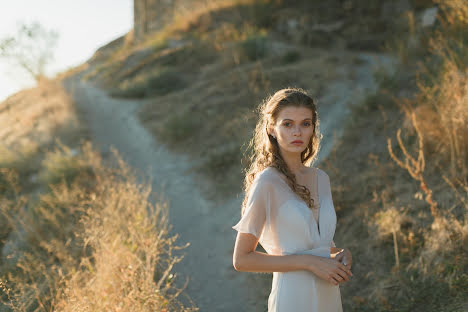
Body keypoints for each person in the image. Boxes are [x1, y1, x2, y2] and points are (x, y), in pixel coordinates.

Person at [231, 88, 353, 311]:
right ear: (272, 129)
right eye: (287, 124)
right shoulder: (267, 182)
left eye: (305, 124)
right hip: (292, 298)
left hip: (329, 297)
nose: (297, 132)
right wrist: (308, 262)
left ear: (313, 129)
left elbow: (316, 244)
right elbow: (242, 259)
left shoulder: (321, 178)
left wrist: (340, 254)